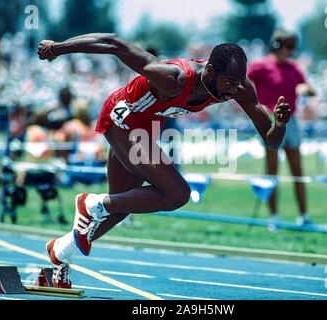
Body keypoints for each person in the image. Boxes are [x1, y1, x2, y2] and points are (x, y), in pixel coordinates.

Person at [37, 33, 291, 288]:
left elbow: (271, 140)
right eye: (230, 83)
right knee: (178, 194)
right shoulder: (174, 78)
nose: (234, 91)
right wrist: (58, 48)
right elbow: (115, 43)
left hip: (146, 127)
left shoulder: (241, 88)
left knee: (123, 204)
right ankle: (92, 203)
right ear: (211, 71)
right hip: (122, 118)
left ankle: (61, 251)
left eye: (238, 83)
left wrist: (279, 125)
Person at [247, 30, 315, 229]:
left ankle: (304, 215)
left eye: (294, 47)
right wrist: (257, 108)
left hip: (291, 121)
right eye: (289, 47)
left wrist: (305, 89)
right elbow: (244, 82)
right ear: (278, 46)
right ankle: (274, 217)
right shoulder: (260, 65)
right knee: (272, 172)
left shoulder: (293, 67)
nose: (292, 51)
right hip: (270, 122)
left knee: (298, 172)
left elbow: (304, 86)